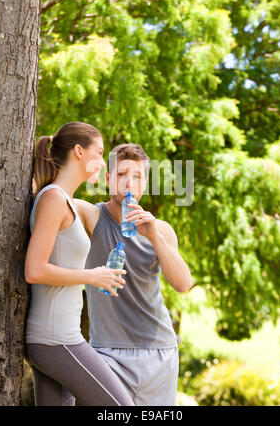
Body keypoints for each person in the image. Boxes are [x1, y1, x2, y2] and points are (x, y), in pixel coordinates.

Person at [24, 122, 134, 406]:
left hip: (57, 338)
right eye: (98, 152)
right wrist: (91, 276)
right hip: (57, 339)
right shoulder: (53, 198)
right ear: (78, 152)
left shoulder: (67, 201)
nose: (102, 161)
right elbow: (34, 270)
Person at [74, 143, 192, 406]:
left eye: (137, 176)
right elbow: (56, 198)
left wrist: (154, 237)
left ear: (145, 183)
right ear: (107, 179)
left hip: (159, 353)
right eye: (121, 175)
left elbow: (183, 284)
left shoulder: (161, 229)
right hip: (107, 355)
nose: (129, 183)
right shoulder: (92, 216)